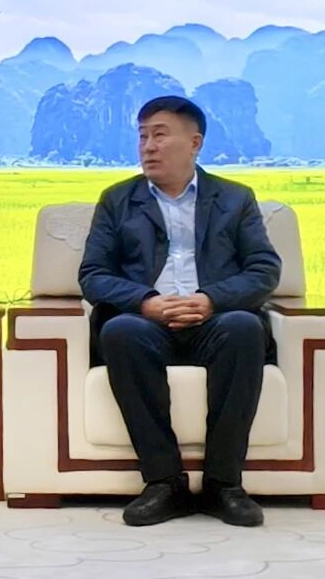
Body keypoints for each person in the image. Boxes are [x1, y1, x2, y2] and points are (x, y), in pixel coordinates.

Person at [79, 94, 285, 527]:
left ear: (195, 143)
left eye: (159, 135)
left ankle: (223, 485)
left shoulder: (235, 199)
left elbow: (264, 269)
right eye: (142, 137)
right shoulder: (117, 200)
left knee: (244, 327)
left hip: (215, 320)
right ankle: (164, 483)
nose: (148, 146)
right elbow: (94, 274)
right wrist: (145, 302)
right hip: (147, 323)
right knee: (119, 332)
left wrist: (211, 299)